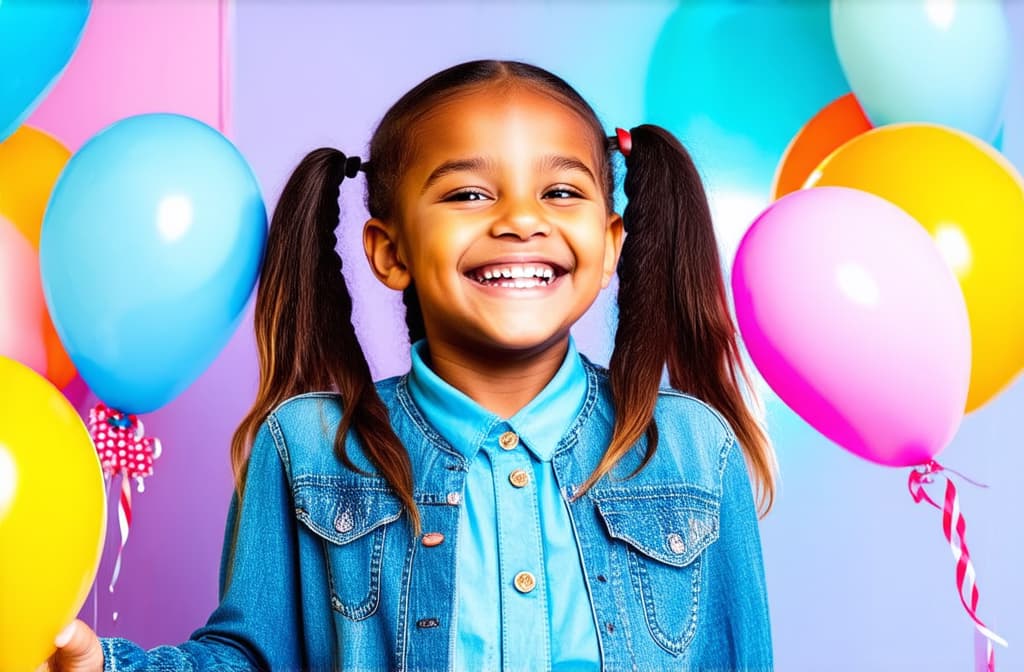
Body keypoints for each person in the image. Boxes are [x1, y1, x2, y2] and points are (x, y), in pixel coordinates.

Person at [46, 59, 776, 672]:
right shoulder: (304, 447)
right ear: (389, 251)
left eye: (559, 191)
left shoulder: (692, 448)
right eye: (468, 194)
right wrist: (104, 663)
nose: (521, 220)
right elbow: (250, 659)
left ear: (611, 240)